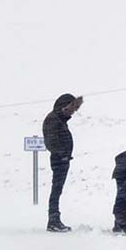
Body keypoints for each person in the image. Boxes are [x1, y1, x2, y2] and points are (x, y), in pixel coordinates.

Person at [42, 93, 82, 232]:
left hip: (62, 159)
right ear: (64, 106)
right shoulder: (53, 120)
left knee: (57, 189)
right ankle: (53, 220)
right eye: (72, 108)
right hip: (60, 160)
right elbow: (51, 141)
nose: (73, 112)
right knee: (56, 189)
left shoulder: (58, 119)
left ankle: (54, 219)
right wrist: (62, 155)